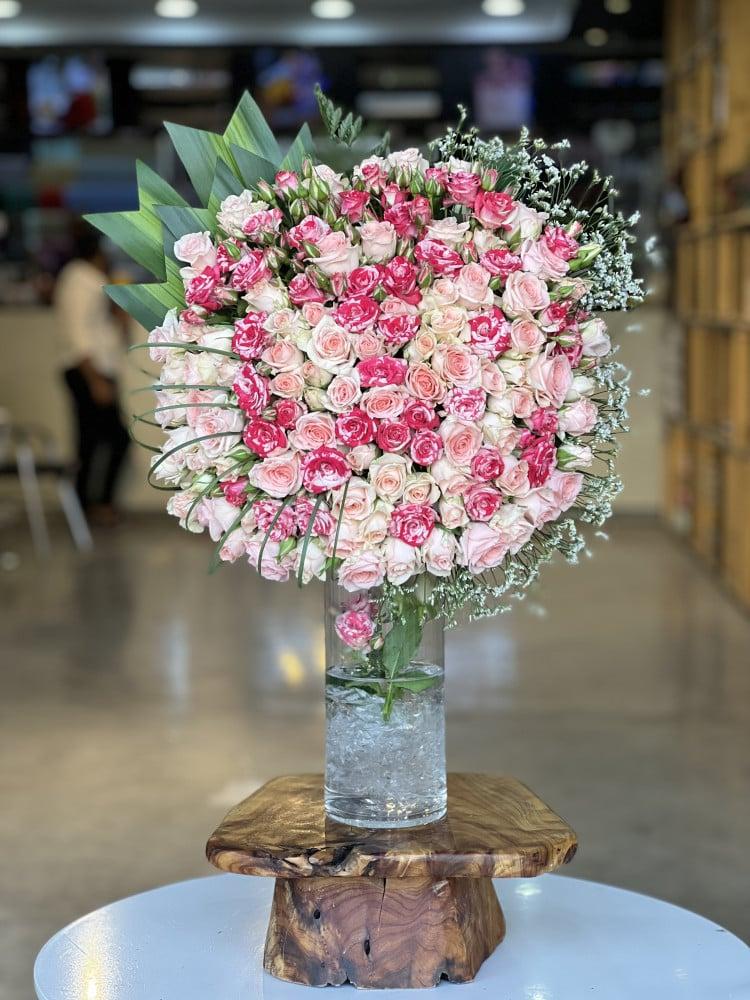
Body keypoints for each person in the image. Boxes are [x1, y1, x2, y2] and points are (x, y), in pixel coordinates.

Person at [55, 224, 129, 526]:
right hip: (88, 370)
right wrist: (94, 379)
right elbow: (78, 335)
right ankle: (89, 505)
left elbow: (107, 329)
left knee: (94, 441)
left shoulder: (95, 279)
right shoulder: (78, 279)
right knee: (104, 441)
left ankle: (88, 505)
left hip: (100, 370)